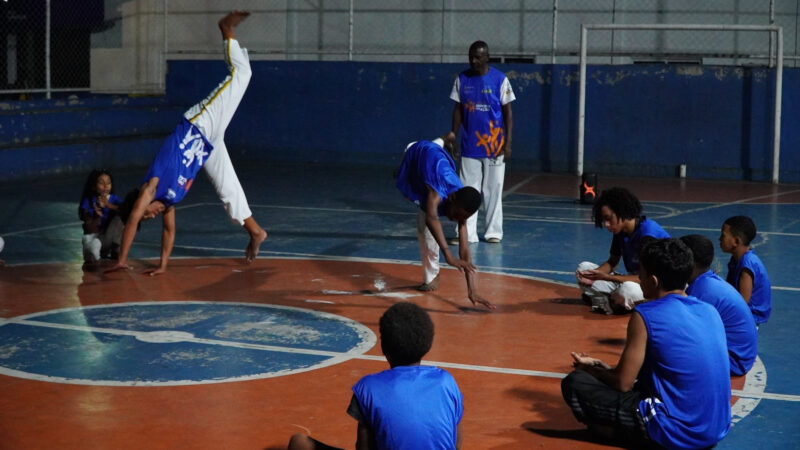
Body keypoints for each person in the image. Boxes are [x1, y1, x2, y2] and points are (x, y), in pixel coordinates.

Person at [107, 11, 267, 276]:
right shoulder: (169, 202)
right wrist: (162, 266)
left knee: (242, 73)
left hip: (200, 125)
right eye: (151, 217)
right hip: (207, 147)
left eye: (147, 214)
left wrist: (122, 259)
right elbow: (169, 233)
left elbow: (133, 217)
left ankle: (226, 30)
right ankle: (256, 231)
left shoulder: (152, 186)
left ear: (142, 203)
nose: (151, 215)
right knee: (228, 190)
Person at [562, 238, 731, 449]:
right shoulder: (709, 310)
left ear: (653, 281)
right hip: (716, 428)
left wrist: (590, 370)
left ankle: (629, 434)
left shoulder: (646, 315)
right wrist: (601, 367)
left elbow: (622, 383)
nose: (638, 279)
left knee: (575, 383)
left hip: (679, 431)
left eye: (640, 275)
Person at [288, 302, 463, 450]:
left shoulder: (368, 387)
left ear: (384, 347)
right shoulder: (446, 381)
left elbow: (363, 447)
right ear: (428, 344)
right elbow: (456, 441)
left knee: (299, 443)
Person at [396, 136, 493, 309]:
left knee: (426, 225)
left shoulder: (459, 204)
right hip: (416, 153)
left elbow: (465, 252)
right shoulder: (437, 190)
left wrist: (472, 290)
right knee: (425, 225)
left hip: (435, 159)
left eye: (460, 218)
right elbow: (431, 218)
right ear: (452, 198)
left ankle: (443, 140)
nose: (455, 220)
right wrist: (448, 255)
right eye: (456, 215)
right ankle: (440, 141)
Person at [447, 40, 515, 244]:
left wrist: (508, 143)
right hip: (470, 145)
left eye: (478, 57)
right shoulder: (462, 79)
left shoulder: (500, 80)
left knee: (493, 189)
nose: (474, 61)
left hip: (495, 146)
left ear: (487, 57)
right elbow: (458, 110)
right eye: (471, 57)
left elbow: (508, 113)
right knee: (468, 190)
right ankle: (466, 233)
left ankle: (493, 232)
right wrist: (453, 135)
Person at [575, 187, 669, 314]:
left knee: (628, 290)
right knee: (583, 268)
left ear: (622, 211)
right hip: (634, 280)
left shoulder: (648, 235)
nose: (607, 225)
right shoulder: (621, 231)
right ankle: (615, 301)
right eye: (604, 220)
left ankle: (612, 300)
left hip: (655, 287)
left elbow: (647, 279)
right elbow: (612, 262)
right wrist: (593, 275)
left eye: (609, 219)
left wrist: (607, 278)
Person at [680, 234, 758, 376]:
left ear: (690, 263)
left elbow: (686, 334)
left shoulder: (702, 291)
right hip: (741, 356)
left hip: (734, 361)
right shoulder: (707, 281)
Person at [720, 215, 772, 327]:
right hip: (744, 315)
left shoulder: (747, 265)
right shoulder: (736, 259)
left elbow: (743, 301)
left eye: (723, 236)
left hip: (748, 319)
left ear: (736, 241)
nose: (719, 239)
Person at [78, 169, 124, 263]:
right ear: (94, 186)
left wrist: (109, 206)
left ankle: (115, 249)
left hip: (109, 237)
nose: (105, 186)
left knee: (121, 216)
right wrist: (96, 216)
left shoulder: (114, 199)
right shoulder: (89, 201)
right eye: (101, 183)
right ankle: (94, 250)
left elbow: (127, 211)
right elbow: (89, 229)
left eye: (108, 183)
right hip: (93, 238)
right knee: (92, 253)